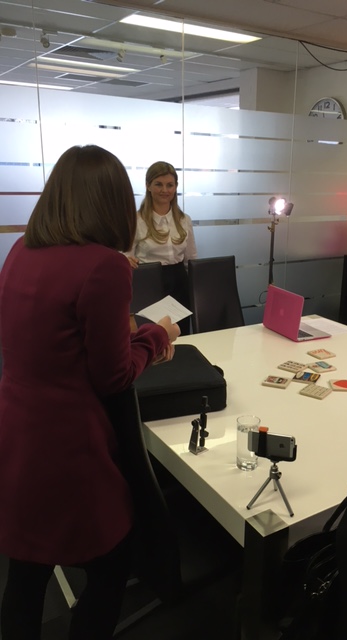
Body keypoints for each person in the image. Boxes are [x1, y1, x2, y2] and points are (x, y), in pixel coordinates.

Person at [0, 145, 180, 639]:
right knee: (111, 562)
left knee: (27, 569)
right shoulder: (104, 266)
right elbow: (113, 377)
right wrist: (156, 335)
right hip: (69, 447)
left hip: (17, 433)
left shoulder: (20, 250)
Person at [125, 161, 197, 334]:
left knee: (180, 334)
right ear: (148, 185)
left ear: (175, 187)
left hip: (179, 283)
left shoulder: (184, 220)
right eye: (158, 184)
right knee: (151, 335)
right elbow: (126, 257)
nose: (165, 190)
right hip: (149, 284)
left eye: (170, 185)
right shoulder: (136, 221)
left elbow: (191, 259)